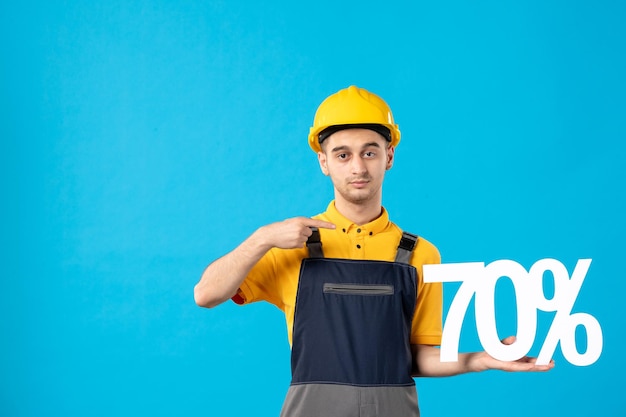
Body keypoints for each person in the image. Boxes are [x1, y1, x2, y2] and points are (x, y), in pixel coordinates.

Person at [194, 85, 554, 416]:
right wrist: (262, 238)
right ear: (324, 162)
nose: (358, 167)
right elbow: (206, 294)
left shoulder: (419, 254)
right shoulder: (291, 245)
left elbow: (419, 356)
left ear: (389, 156)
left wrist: (481, 359)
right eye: (342, 154)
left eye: (370, 152)